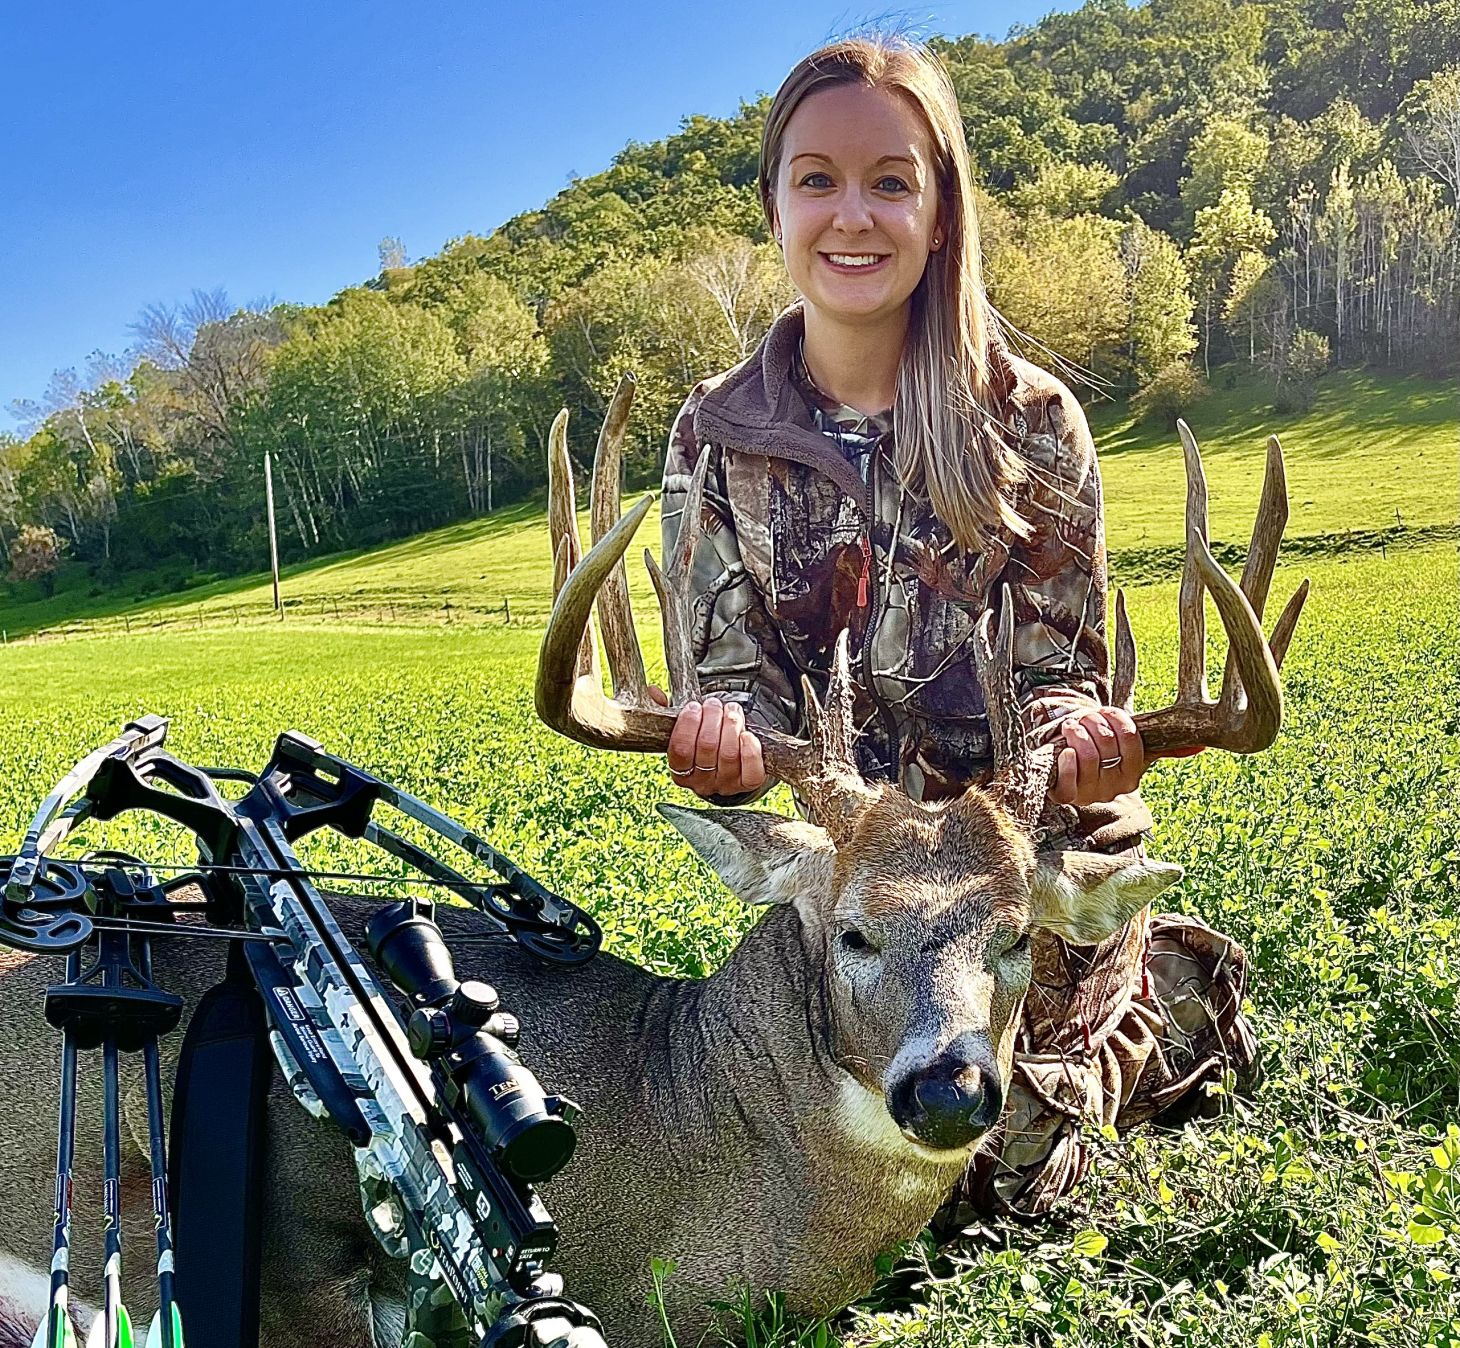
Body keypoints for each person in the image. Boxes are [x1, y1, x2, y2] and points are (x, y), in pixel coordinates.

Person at [654, 34, 1257, 1223]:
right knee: (789, 1131)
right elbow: (731, 683)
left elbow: (1057, 671)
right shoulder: (711, 439)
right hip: (856, 875)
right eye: (815, 178)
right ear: (773, 204)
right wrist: (721, 743)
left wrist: (1082, 736)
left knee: (1005, 1183)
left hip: (1003, 864)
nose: (851, 215)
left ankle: (1151, 994)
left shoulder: (1030, 422)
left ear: (939, 211)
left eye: (890, 181)